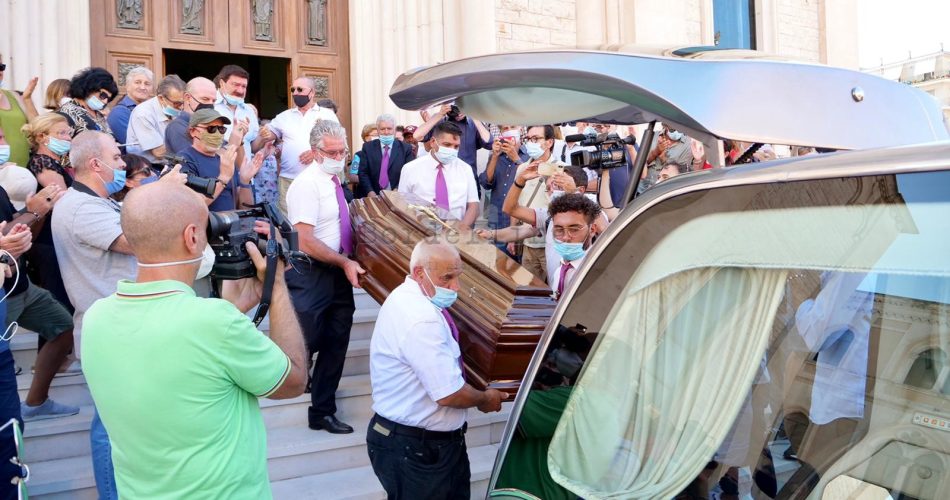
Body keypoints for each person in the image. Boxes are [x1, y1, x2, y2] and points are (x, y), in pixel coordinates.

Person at [82, 181, 306, 499]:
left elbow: (174, 359)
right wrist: (277, 285)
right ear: (191, 237)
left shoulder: (96, 318)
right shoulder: (213, 323)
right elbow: (293, 380)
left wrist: (232, 310)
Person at [52, 130, 186, 499]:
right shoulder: (82, 208)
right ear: (95, 164)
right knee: (111, 429)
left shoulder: (98, 203)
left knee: (127, 425)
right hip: (111, 333)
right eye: (116, 157)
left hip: (124, 328)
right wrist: (161, 193)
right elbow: (141, 242)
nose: (123, 164)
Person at [367, 238, 507, 499]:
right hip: (418, 449)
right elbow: (449, 394)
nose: (456, 287)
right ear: (420, 273)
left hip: (417, 444)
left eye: (457, 276)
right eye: (447, 278)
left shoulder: (408, 297)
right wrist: (485, 399)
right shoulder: (421, 318)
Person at [285, 119, 364, 434]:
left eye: (342, 151)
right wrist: (343, 262)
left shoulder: (335, 181)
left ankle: (322, 411)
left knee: (336, 342)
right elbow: (304, 240)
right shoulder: (307, 184)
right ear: (315, 151)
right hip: (312, 272)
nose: (339, 157)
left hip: (339, 271)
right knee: (309, 337)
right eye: (332, 152)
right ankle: (298, 376)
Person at [0, 128, 78, 424]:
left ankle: (36, 401)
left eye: (3, 137)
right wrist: (33, 212)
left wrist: (37, 213)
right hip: (4, 294)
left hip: (21, 286)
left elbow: (17, 233)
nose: (5, 144)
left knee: (63, 326)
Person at [503, 163, 603, 298]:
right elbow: (510, 209)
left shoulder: (592, 214)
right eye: (559, 228)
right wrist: (520, 180)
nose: (566, 237)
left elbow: (605, 229)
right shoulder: (549, 216)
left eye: (562, 186)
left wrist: (573, 193)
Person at [253, 76, 337, 213]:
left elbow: (338, 143)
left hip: (319, 180)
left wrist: (317, 153)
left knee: (318, 218)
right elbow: (262, 140)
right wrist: (263, 135)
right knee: (288, 221)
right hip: (288, 180)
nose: (295, 93)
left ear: (312, 92)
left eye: (300, 89)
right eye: (293, 90)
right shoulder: (284, 116)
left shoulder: (327, 115)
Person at [22, 113, 75, 313]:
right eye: (61, 133)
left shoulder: (53, 162)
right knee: (60, 304)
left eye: (68, 133)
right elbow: (62, 199)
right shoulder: (42, 162)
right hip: (47, 239)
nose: (67, 138)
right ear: (42, 137)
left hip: (54, 236)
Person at [398, 121, 479, 229]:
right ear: (432, 142)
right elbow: (402, 204)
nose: (452, 150)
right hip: (420, 231)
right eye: (447, 145)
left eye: (456, 146)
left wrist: (461, 229)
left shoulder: (465, 169)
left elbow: (473, 205)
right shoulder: (410, 169)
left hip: (456, 232)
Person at [179, 108, 261, 212]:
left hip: (231, 221)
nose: (217, 133)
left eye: (221, 129)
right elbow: (192, 207)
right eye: (211, 128)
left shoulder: (225, 160)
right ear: (193, 131)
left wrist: (244, 181)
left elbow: (244, 208)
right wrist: (223, 178)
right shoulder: (185, 159)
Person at [413, 103, 491, 185]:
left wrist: (474, 116)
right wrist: (439, 115)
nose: (457, 110)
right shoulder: (440, 121)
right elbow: (417, 136)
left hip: (467, 180)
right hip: (443, 180)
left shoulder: (473, 123)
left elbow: (489, 143)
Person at [480, 126, 529, 243]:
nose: (509, 130)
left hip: (520, 224)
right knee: (498, 254)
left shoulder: (529, 155)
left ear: (521, 129)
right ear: (501, 133)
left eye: (513, 126)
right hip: (497, 220)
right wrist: (494, 156)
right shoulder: (496, 156)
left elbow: (531, 182)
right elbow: (486, 183)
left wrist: (516, 158)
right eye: (505, 128)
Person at [126, 74, 185, 164]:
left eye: (184, 103)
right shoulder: (143, 113)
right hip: (150, 167)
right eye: (177, 103)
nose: (182, 107)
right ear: (161, 98)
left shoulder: (177, 109)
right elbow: (159, 152)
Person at [357, 113, 415, 197]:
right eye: (382, 129)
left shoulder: (406, 149)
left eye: (389, 129)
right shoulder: (368, 147)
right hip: (374, 195)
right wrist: (370, 192)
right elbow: (363, 173)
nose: (386, 132)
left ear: (394, 130)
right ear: (378, 130)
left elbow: (408, 173)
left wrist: (397, 190)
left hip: (398, 195)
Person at [0, 53, 39, 167]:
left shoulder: (14, 96)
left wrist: (27, 99)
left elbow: (38, 128)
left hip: (23, 168)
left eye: (1, 67)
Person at [213, 64, 258, 160]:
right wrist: (234, 139)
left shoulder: (249, 110)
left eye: (244, 86)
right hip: (218, 168)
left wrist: (263, 138)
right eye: (236, 85)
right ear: (221, 83)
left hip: (245, 169)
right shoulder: (210, 106)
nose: (240, 91)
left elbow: (252, 146)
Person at [58, 67, 118, 138]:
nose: (105, 101)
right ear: (89, 88)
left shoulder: (98, 114)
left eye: (108, 99)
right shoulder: (66, 112)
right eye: (103, 95)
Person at [164, 76, 217, 156]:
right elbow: (197, 159)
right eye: (205, 99)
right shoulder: (177, 127)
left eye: (213, 101)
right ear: (187, 98)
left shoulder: (213, 125)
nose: (210, 104)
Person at [106, 66, 154, 147]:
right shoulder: (119, 113)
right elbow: (135, 145)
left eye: (147, 84)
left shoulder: (151, 110)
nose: (143, 87)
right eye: (137, 82)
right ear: (127, 86)